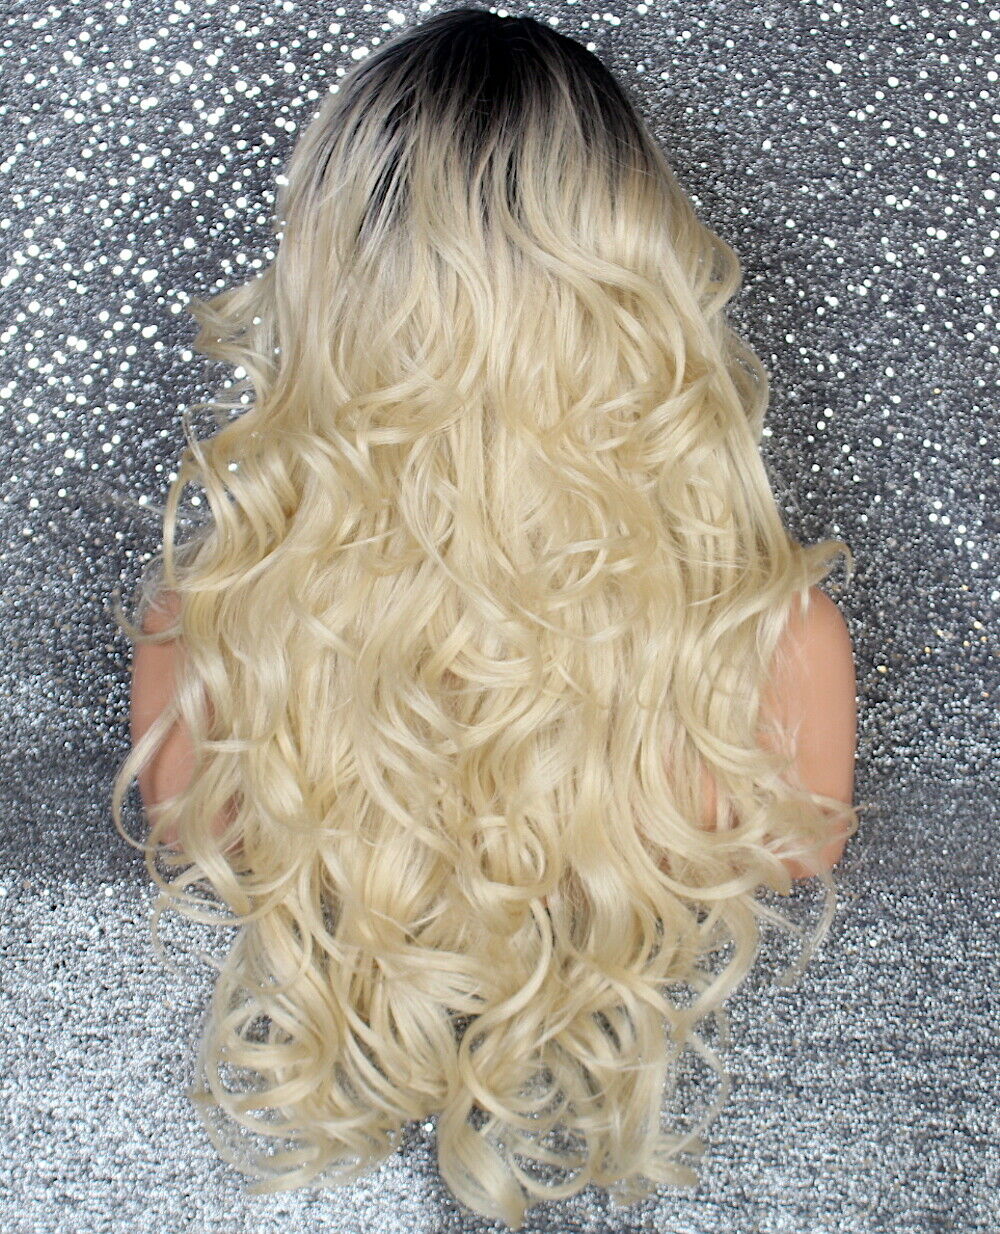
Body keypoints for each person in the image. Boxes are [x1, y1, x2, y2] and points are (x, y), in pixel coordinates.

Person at [111, 8, 862, 1227]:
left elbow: (207, 839)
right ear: (636, 269)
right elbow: (792, 858)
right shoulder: (779, 652)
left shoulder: (207, 641)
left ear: (331, 273)